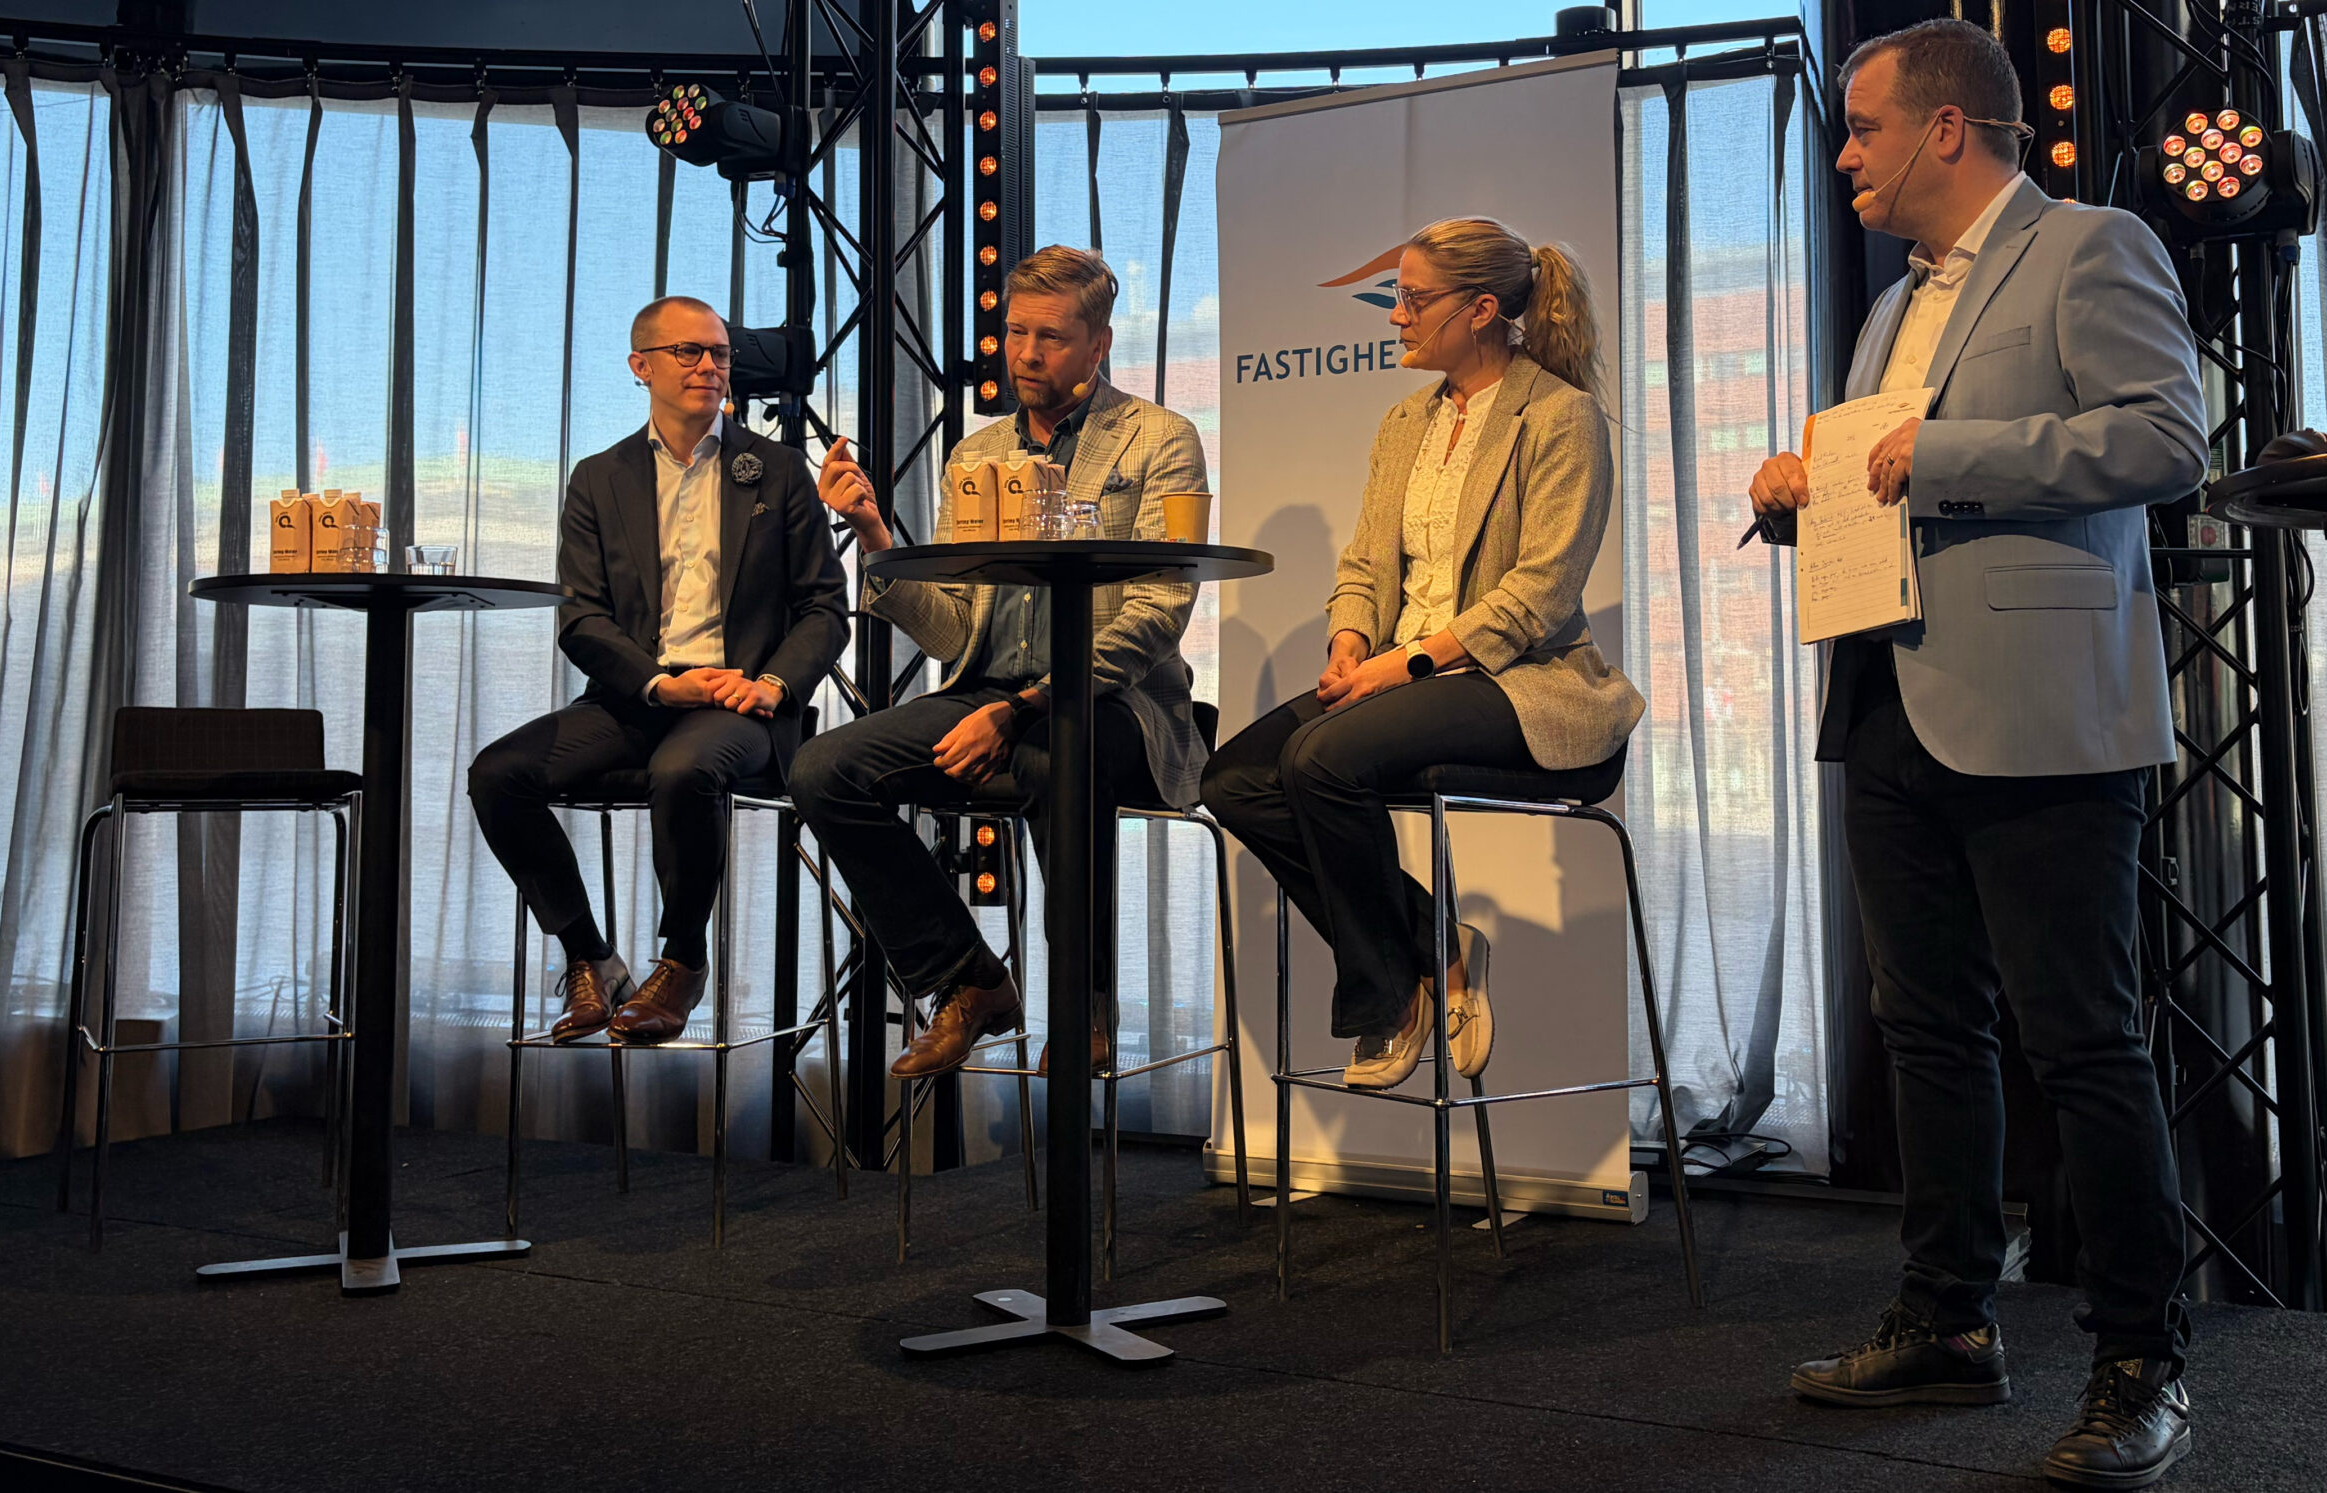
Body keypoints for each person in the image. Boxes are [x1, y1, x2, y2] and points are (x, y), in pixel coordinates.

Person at [1744, 20, 2198, 1488]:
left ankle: (2142, 1362)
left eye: (1863, 128)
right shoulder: (1891, 305)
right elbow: (1882, 477)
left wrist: (1947, 459)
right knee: (1925, 1029)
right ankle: (1946, 1321)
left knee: (2083, 1040)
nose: (1844, 157)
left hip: (2043, 709)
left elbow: (2165, 439)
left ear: (1945, 128)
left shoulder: (2091, 246)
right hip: (1888, 696)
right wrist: (1801, 491)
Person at [1200, 216, 1637, 1093]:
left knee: (1321, 758)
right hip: (1402, 668)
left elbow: (1539, 595)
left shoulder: (1560, 416)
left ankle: (1389, 996)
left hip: (1519, 679)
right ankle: (1437, 941)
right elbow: (1366, 563)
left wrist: (1400, 666)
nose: (1395, 314)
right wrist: (1351, 642)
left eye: (1412, 298)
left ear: (1481, 310)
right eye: (1396, 295)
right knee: (1232, 779)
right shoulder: (1406, 422)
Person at [793, 245, 1209, 1079]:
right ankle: (969, 977)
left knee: (1057, 755)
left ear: (1098, 344)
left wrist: (1021, 710)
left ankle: (1086, 1006)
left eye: (1050, 337)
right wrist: (875, 534)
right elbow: (955, 632)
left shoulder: (1159, 439)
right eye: (1015, 332)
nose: (1025, 353)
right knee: (822, 769)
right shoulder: (976, 454)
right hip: (986, 691)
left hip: (1115, 707)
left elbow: (1158, 612)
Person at [468, 295, 848, 1047]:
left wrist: (769, 684)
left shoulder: (776, 470)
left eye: (719, 353)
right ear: (641, 366)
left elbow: (825, 609)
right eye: (688, 352)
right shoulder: (599, 477)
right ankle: (590, 956)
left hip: (740, 705)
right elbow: (582, 620)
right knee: (498, 774)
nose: (709, 365)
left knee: (684, 768)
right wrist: (658, 683)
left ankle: (681, 961)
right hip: (637, 697)